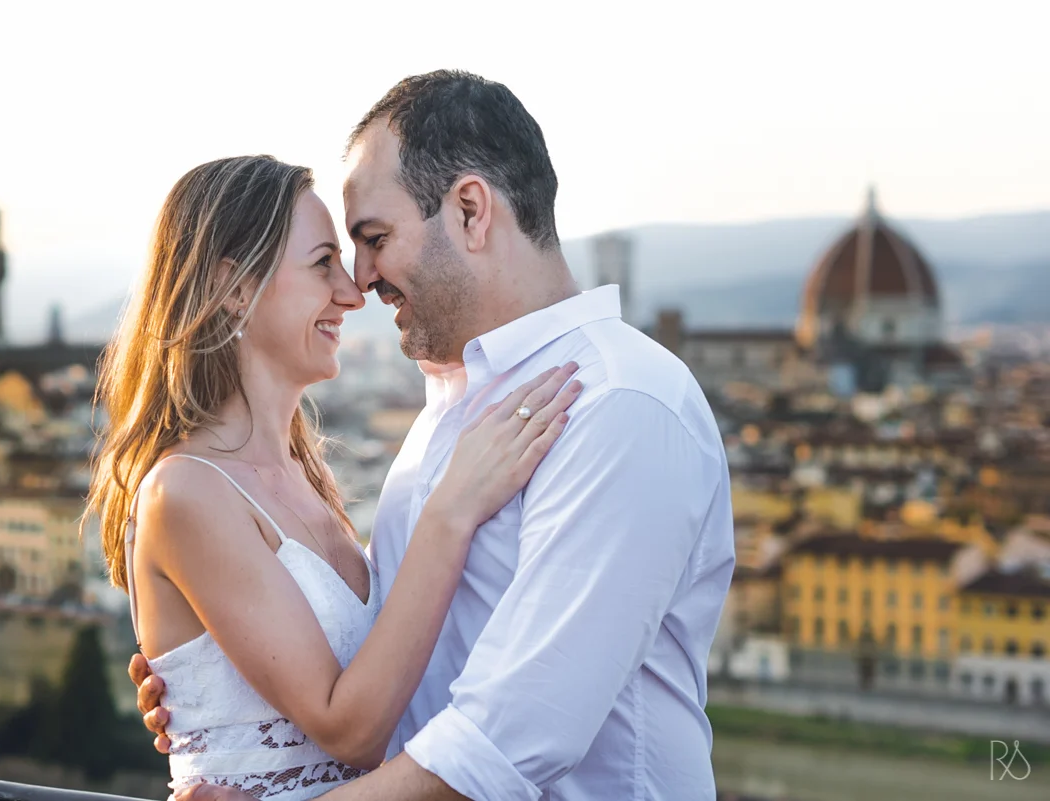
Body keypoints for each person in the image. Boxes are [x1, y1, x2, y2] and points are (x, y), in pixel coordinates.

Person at [133, 70, 736, 801]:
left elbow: (505, 740)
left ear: (472, 212)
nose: (360, 283)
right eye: (334, 257)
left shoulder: (619, 404)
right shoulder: (445, 420)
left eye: (374, 239)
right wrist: (219, 691)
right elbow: (381, 670)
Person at [88, 153, 582, 800]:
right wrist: (451, 511)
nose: (352, 293)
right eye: (323, 263)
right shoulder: (186, 491)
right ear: (235, 286)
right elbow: (349, 729)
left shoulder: (303, 473)